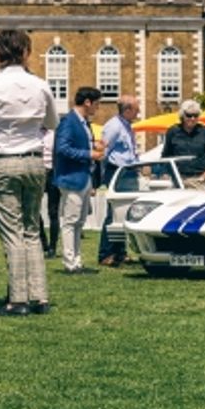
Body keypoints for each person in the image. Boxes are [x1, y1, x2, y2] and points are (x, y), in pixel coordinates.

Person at [0, 29, 58, 315]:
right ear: (26, 53)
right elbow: (52, 122)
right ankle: (39, 297)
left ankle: (18, 300)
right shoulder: (40, 86)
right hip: (34, 162)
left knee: (12, 233)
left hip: (3, 162)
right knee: (32, 230)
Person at [54, 86, 103, 275]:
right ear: (87, 102)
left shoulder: (83, 122)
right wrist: (88, 153)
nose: (98, 108)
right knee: (70, 221)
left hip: (83, 176)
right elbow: (62, 148)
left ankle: (77, 261)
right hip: (71, 178)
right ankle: (69, 262)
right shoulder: (68, 121)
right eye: (96, 104)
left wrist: (94, 145)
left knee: (79, 222)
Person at [97, 94, 139, 267]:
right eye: (136, 109)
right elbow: (103, 151)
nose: (138, 112)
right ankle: (105, 253)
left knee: (125, 213)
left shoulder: (127, 126)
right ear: (127, 110)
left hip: (128, 172)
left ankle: (120, 252)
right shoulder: (113, 126)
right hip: (117, 172)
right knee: (113, 213)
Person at [161, 99, 205, 190]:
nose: (192, 118)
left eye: (196, 115)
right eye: (189, 115)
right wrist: (166, 173)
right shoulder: (173, 132)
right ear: (182, 115)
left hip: (199, 179)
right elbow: (165, 155)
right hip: (177, 179)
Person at [39, 128, 59, 258]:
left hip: (52, 173)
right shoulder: (32, 133)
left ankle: (52, 246)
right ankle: (43, 242)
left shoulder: (54, 135)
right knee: (34, 210)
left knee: (53, 212)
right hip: (38, 172)